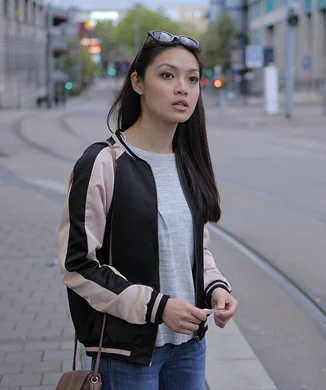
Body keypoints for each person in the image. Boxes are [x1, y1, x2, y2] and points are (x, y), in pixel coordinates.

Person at [58, 30, 238, 389]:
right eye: (167, 75)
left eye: (192, 79)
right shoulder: (104, 163)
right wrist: (158, 307)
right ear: (137, 82)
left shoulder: (189, 165)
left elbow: (196, 250)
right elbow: (77, 264)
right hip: (126, 354)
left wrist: (216, 288)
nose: (182, 88)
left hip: (188, 346)